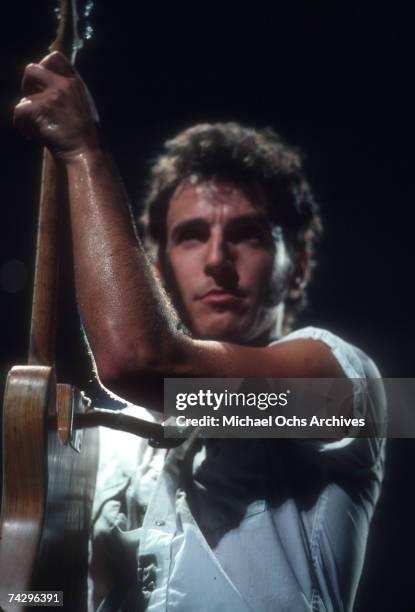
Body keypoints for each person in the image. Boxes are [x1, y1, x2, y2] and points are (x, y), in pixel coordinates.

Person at [14, 51, 386, 612]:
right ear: (157, 270)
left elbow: (140, 361)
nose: (217, 260)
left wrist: (82, 151)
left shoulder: (348, 383)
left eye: (248, 235)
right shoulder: (106, 437)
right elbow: (36, 596)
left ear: (300, 265)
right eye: (190, 236)